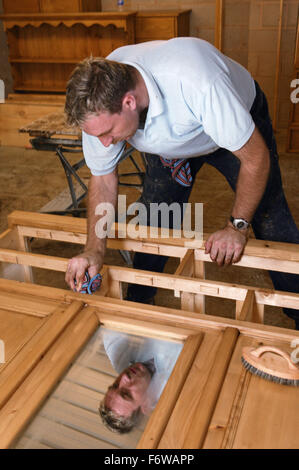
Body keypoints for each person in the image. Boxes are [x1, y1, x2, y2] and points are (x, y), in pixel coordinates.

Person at [64, 37, 299, 329]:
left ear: (128, 101)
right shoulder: (100, 106)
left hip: (231, 128)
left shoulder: (196, 80)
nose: (105, 143)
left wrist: (236, 226)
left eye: (109, 133)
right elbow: (102, 178)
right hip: (173, 139)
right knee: (156, 219)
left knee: (270, 220)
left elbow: (256, 160)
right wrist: (94, 249)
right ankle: (141, 300)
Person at [98, 328, 182, 433]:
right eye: (126, 393)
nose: (124, 377)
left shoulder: (118, 357)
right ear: (145, 406)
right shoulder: (177, 388)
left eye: (115, 385)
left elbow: (111, 320)